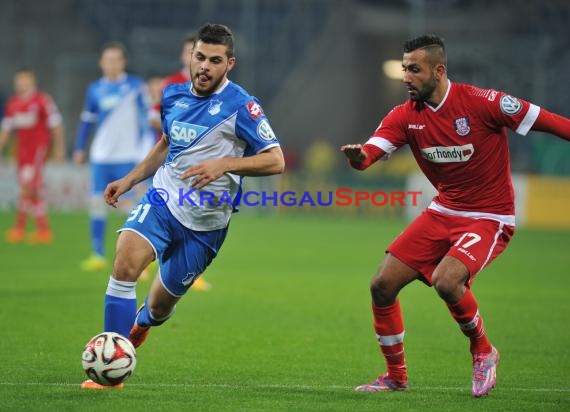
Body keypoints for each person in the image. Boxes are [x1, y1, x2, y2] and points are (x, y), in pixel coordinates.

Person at [341, 35, 570, 398]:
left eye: (414, 69)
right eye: (404, 69)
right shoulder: (404, 116)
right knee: (381, 285)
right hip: (443, 211)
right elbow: (371, 153)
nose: (406, 77)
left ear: (438, 70)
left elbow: (551, 122)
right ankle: (395, 377)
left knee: (448, 281)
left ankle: (483, 350)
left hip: (489, 217)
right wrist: (359, 158)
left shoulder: (485, 103)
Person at [81, 23, 284, 389]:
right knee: (125, 261)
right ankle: (109, 368)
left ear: (229, 64)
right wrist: (130, 179)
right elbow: (165, 143)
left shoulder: (242, 106)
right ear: (191, 57)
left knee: (159, 307)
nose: (205, 66)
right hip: (163, 198)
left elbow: (275, 160)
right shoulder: (173, 95)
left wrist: (225, 164)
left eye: (215, 60)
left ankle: (141, 326)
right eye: (200, 57)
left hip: (206, 225)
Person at [74, 42, 152, 271]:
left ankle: (143, 258)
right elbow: (87, 120)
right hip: (101, 156)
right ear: (101, 62)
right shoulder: (95, 89)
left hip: (128, 156)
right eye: (107, 59)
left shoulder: (136, 87)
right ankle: (97, 254)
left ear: (123, 62)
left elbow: (147, 121)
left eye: (115, 59)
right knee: (98, 204)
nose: (111, 64)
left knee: (135, 207)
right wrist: (79, 147)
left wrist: (145, 151)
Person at [0, 68, 65, 244]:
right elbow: (6, 129)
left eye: (25, 80)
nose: (22, 84)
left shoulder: (42, 101)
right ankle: (38, 230)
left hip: (38, 151)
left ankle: (25, 229)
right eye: (19, 81)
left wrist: (59, 148)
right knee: (31, 190)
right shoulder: (12, 104)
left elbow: (56, 125)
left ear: (32, 82)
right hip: (21, 153)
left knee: (27, 187)